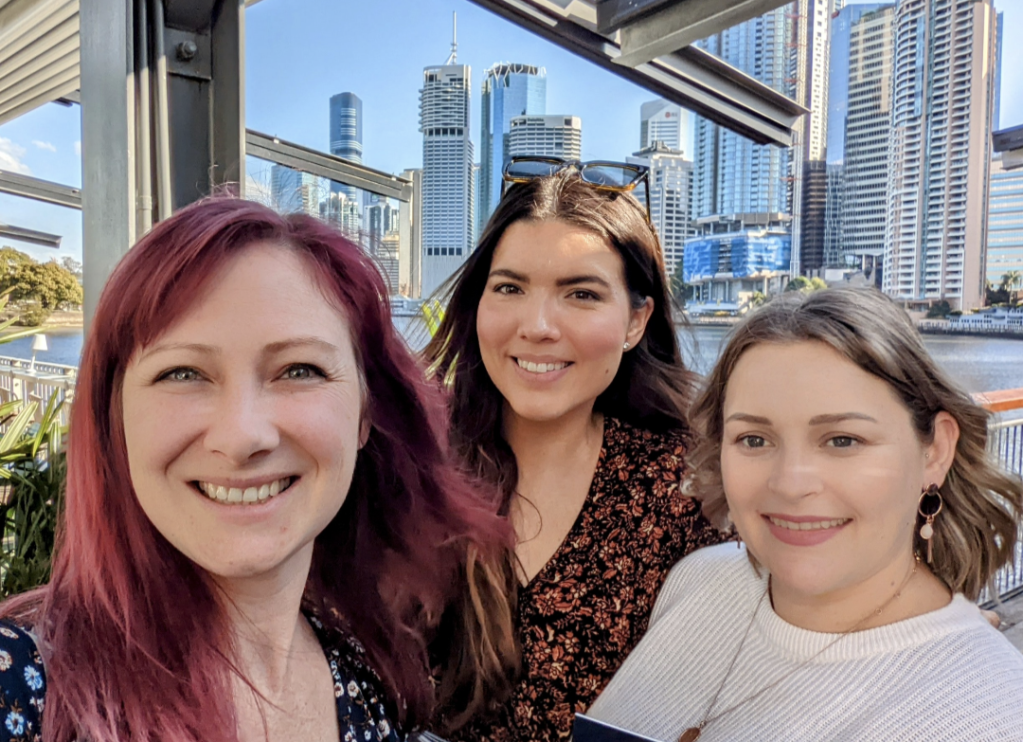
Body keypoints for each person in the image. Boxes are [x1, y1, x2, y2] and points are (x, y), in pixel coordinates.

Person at [0, 197, 516, 742]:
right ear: (116, 414)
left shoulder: (366, 676)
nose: (242, 435)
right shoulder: (25, 687)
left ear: (366, 413)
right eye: (182, 373)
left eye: (299, 369)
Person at [588, 287, 1023, 741]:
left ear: (935, 451)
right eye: (754, 439)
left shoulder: (991, 716)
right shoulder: (698, 582)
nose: (791, 484)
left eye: (842, 440)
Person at [423, 161, 726, 742]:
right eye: (509, 287)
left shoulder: (686, 492)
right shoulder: (410, 470)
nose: (538, 326)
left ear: (636, 320)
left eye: (581, 294)